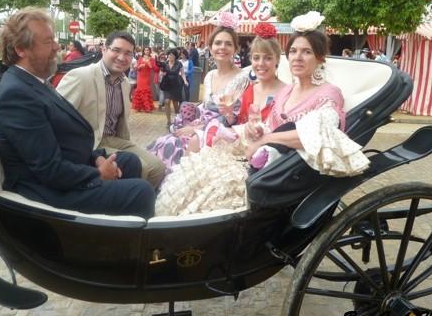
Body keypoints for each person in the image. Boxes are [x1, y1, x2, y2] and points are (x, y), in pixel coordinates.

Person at [155, 13, 369, 217]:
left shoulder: (328, 94)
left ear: (320, 57)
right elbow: (267, 125)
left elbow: (316, 134)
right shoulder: (287, 91)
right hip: (256, 157)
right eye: (293, 51)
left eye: (307, 52)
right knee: (195, 168)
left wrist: (266, 138)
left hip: (283, 172)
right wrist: (249, 129)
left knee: (212, 185)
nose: (297, 57)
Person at [0, 8, 155, 219]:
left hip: (67, 169)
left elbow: (63, 141)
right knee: (142, 192)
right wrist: (97, 174)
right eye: (49, 42)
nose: (57, 47)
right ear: (21, 49)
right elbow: (49, 169)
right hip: (46, 191)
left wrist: (96, 160)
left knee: (130, 161)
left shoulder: (33, 81)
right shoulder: (16, 95)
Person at [57, 30, 166, 189]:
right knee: (141, 166)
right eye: (116, 50)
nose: (122, 57)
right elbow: (55, 117)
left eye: (128, 53)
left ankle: (141, 203)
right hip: (90, 143)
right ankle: (128, 201)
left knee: (158, 167)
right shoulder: (81, 76)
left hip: (114, 139)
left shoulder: (125, 83)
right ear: (104, 50)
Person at [146, 12, 249, 172]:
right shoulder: (209, 76)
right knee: (161, 143)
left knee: (172, 148)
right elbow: (205, 107)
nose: (222, 47)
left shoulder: (242, 78)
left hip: (219, 134)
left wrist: (197, 129)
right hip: (199, 125)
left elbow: (235, 116)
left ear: (236, 48)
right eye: (218, 43)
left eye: (228, 44)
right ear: (211, 47)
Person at [157, 48, 189, 127]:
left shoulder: (179, 64)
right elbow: (161, 72)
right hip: (167, 84)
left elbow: (182, 73)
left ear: (175, 56)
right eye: (169, 55)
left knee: (175, 103)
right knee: (167, 101)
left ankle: (178, 118)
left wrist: (185, 81)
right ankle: (168, 121)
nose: (170, 56)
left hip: (176, 85)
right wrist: (161, 75)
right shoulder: (165, 63)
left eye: (172, 55)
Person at [131, 46, 157, 112]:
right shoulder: (140, 58)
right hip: (140, 76)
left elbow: (153, 68)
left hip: (147, 76)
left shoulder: (152, 59)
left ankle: (147, 107)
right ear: (143, 51)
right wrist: (140, 66)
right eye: (145, 50)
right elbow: (137, 68)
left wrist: (149, 64)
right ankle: (138, 107)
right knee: (139, 90)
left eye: (148, 50)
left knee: (146, 90)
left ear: (149, 51)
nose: (146, 51)